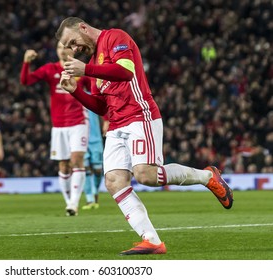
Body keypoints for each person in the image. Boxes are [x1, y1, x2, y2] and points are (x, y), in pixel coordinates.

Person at [56, 17, 233, 255]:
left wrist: (86, 70)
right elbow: (102, 107)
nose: (74, 49)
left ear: (83, 28)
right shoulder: (93, 64)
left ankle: (207, 177)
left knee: (146, 175)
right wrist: (76, 91)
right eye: (69, 47)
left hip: (140, 115)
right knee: (113, 181)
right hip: (116, 124)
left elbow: (126, 72)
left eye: (73, 41)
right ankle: (152, 240)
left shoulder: (115, 37)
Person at [20, 42, 90, 216]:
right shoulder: (50, 69)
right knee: (64, 165)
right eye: (59, 48)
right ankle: (69, 204)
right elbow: (26, 81)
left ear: (72, 51)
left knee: (77, 160)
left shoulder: (81, 70)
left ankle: (74, 203)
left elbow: (97, 90)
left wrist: (106, 118)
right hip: (58, 125)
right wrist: (26, 62)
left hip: (79, 121)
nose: (62, 51)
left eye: (65, 47)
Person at [82, 109, 103, 210]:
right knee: (84, 170)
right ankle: (89, 199)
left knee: (98, 170)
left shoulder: (93, 96)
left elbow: (102, 113)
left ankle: (95, 192)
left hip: (96, 139)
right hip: (81, 139)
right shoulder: (74, 99)